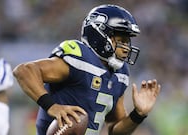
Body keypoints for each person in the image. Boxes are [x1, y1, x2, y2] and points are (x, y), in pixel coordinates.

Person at [13, 4, 161, 135]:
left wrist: (138, 114)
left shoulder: (120, 74)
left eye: (128, 42)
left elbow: (114, 130)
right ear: (100, 35)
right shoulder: (80, 58)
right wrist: (52, 106)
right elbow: (24, 71)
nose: (127, 49)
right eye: (121, 40)